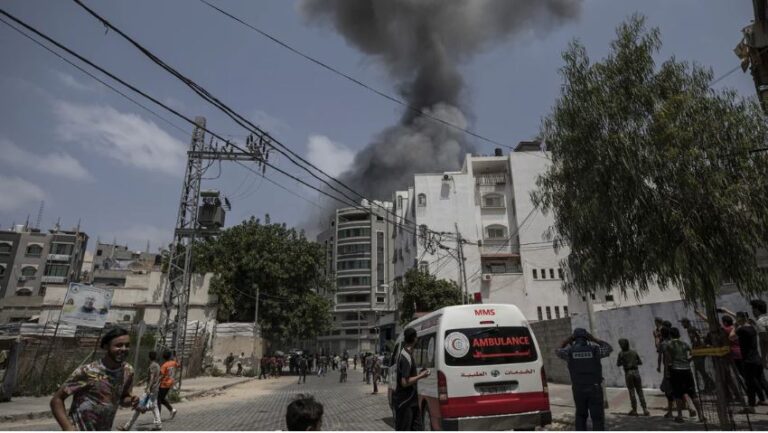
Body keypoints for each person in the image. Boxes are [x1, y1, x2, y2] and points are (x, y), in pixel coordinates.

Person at [50, 327, 138, 431]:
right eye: (118, 345)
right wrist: (68, 428)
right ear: (106, 346)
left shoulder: (128, 371)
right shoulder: (88, 371)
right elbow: (57, 400)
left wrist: (131, 400)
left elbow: (123, 398)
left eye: (127, 345)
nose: (123, 349)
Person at [555, 328, 612, 431]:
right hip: (594, 388)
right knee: (597, 418)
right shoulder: (595, 350)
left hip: (578, 388)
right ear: (587, 338)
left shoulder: (569, 352)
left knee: (581, 415)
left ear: (574, 339)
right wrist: (594, 339)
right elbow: (608, 348)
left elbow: (557, 350)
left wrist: (567, 340)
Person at [664, 328, 705, 423]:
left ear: (670, 335)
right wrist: (688, 360)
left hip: (676, 370)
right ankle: (701, 415)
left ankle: (680, 416)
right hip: (687, 369)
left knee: (678, 393)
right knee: (692, 393)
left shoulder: (669, 345)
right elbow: (692, 353)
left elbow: (668, 360)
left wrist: (667, 372)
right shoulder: (684, 344)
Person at [393, 328, 430, 431]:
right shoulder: (405, 357)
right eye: (416, 337)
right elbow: (405, 382)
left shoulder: (407, 354)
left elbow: (408, 376)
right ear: (414, 338)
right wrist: (421, 376)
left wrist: (418, 373)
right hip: (405, 403)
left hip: (412, 402)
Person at [120, 351, 162, 431]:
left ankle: (127, 427)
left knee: (139, 406)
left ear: (149, 357)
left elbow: (152, 378)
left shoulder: (152, 366)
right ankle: (158, 424)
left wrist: (149, 388)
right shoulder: (157, 365)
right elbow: (157, 377)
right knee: (154, 407)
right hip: (155, 389)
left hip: (151, 390)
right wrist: (143, 381)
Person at [734, 311, 766, 413]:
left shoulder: (741, 329)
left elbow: (731, 336)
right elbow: (744, 319)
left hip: (748, 361)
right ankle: (754, 403)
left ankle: (751, 406)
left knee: (750, 384)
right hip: (757, 359)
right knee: (762, 382)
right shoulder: (752, 328)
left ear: (740, 319)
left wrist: (735, 326)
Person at [679, 318, 715, 392]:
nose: (682, 325)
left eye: (683, 323)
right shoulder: (693, 328)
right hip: (700, 350)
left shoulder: (690, 329)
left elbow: (696, 341)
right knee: (700, 369)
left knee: (700, 369)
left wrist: (694, 352)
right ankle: (708, 385)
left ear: (686, 322)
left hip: (699, 351)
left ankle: (711, 384)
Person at [616, 338, 649, 416]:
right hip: (636, 372)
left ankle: (634, 410)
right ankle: (645, 409)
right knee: (640, 391)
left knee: (631, 392)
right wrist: (633, 363)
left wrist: (624, 362)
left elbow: (618, 364)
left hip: (628, 373)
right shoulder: (634, 352)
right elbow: (640, 362)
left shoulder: (621, 354)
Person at [158, 351, 179, 419]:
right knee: (161, 399)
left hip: (164, 384)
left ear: (163, 357)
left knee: (158, 400)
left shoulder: (164, 365)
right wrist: (175, 357)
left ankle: (157, 416)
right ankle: (172, 410)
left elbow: (161, 375)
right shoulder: (173, 363)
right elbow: (178, 365)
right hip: (170, 383)